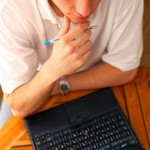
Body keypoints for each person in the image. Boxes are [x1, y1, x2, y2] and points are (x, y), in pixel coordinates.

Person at [0, 0, 143, 126]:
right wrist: (52, 70)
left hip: (84, 82)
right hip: (30, 81)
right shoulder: (9, 10)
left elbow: (125, 70)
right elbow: (18, 105)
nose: (84, 10)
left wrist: (57, 84)